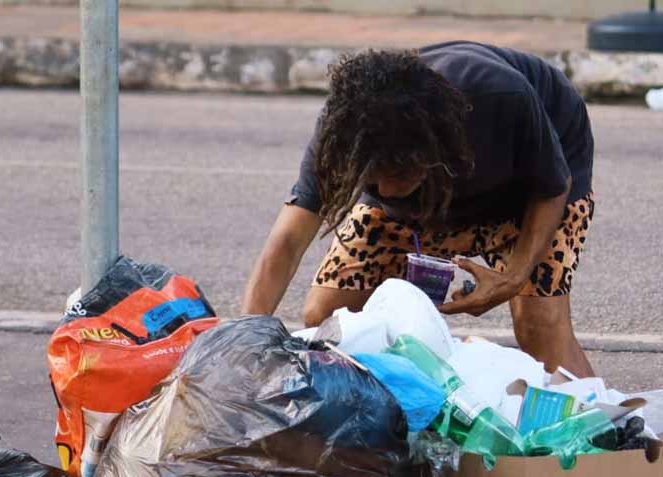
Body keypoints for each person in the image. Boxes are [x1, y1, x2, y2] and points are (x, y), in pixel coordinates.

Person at [241, 41, 596, 377]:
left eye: (397, 174)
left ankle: (611, 435)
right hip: (433, 180)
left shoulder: (501, 97)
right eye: (372, 178)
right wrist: (240, 344)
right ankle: (388, 415)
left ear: (434, 145)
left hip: (528, 190)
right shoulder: (347, 132)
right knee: (329, 317)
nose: (386, 191)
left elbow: (553, 187)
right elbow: (286, 241)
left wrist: (513, 278)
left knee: (540, 326)